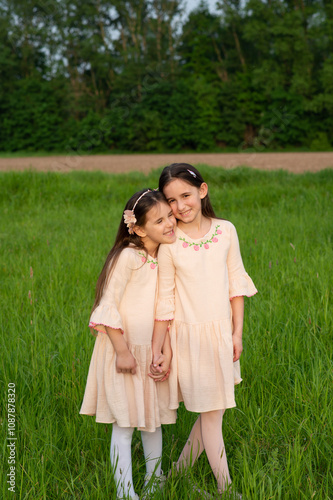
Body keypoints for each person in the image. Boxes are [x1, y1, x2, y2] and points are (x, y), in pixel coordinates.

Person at [151, 164, 257, 497]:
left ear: (202, 190)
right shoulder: (169, 243)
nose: (180, 206)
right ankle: (226, 489)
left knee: (214, 411)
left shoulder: (226, 230)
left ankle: (175, 476)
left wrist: (236, 334)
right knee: (213, 415)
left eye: (185, 195)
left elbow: (235, 285)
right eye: (171, 200)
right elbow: (165, 299)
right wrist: (164, 349)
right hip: (189, 338)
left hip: (221, 335)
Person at [80, 189, 177, 500]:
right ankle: (126, 493)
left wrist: (160, 350)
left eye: (170, 216)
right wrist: (122, 352)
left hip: (149, 352)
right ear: (137, 228)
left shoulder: (162, 256)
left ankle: (155, 480)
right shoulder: (128, 257)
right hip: (123, 351)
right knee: (124, 424)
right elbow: (107, 307)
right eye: (159, 220)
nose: (169, 223)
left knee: (152, 420)